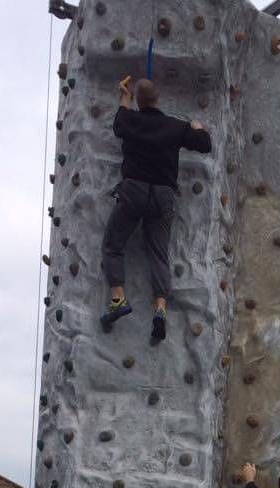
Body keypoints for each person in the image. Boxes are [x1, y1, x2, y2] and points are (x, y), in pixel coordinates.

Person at [100, 77, 212, 339]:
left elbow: (119, 122)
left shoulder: (129, 121)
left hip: (134, 192)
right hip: (162, 196)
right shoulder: (175, 126)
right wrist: (197, 127)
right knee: (159, 255)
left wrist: (124, 98)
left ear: (138, 101)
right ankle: (160, 309)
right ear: (158, 99)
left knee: (113, 245)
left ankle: (118, 298)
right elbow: (205, 144)